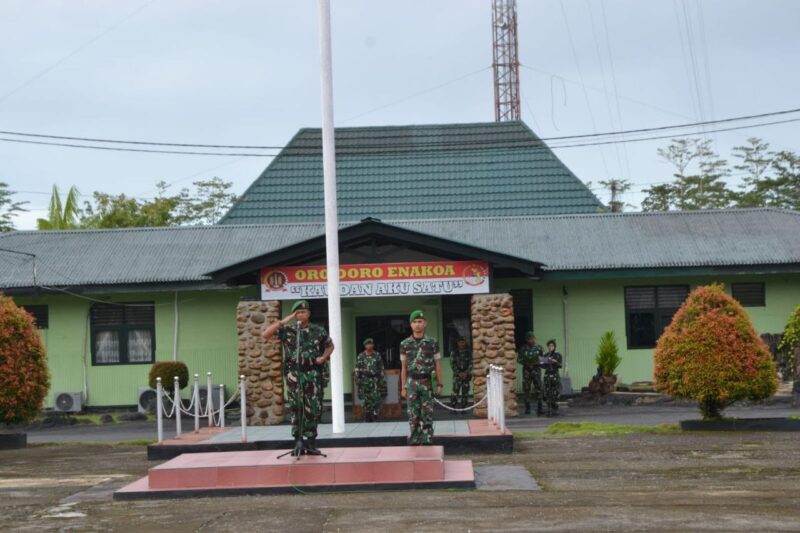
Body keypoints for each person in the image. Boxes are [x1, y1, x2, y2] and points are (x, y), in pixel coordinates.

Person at [261, 300, 333, 456]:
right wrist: (284, 321)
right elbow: (265, 334)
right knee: (296, 407)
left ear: (309, 314)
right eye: (298, 312)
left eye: (303, 312)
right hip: (294, 375)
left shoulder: (318, 330)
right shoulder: (288, 330)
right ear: (294, 315)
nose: (301, 315)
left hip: (312, 374)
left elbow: (330, 346)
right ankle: (298, 442)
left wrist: (323, 357)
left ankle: (311, 442)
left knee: (312, 408)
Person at [400, 309, 443, 445]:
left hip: (427, 382)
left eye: (420, 321)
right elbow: (403, 368)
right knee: (413, 414)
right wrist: (403, 387)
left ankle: (427, 439)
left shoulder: (432, 342)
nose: (417, 324)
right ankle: (414, 439)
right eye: (415, 322)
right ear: (410, 324)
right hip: (412, 382)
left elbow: (437, 364)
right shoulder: (404, 344)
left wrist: (439, 384)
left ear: (425, 323)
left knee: (427, 413)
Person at [355, 337, 386, 422]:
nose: (369, 345)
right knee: (365, 399)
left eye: (371, 344)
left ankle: (375, 415)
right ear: (365, 346)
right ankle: (367, 415)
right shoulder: (361, 356)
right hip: (364, 380)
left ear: (373, 345)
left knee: (376, 398)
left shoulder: (377, 355)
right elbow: (357, 368)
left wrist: (382, 380)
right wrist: (357, 380)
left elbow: (381, 368)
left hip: (374, 380)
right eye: (367, 344)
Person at [517, 331, 544, 415]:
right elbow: (519, 359)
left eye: (532, 338)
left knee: (539, 389)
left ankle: (540, 408)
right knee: (526, 389)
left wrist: (538, 362)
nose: (531, 340)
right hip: (527, 371)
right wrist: (526, 362)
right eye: (529, 339)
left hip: (536, 370)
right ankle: (527, 408)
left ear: (534, 338)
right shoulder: (523, 348)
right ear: (527, 340)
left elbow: (543, 359)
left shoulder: (539, 348)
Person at [449, 336, 472, 411]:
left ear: (465, 343)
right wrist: (458, 373)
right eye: (460, 342)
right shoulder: (454, 352)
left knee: (465, 392)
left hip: (466, 375)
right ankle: (453, 407)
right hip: (457, 376)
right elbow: (452, 364)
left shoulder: (468, 353)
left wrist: (466, 372)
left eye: (463, 342)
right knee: (455, 391)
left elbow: (471, 363)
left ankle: (464, 407)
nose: (462, 344)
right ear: (458, 343)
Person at [542, 339, 563, 417]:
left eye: (552, 345)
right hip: (547, 376)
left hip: (555, 376)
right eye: (549, 346)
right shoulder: (546, 355)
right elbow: (542, 365)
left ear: (555, 346)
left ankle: (555, 408)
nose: (551, 347)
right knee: (547, 393)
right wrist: (546, 361)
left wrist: (555, 362)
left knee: (555, 393)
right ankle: (549, 409)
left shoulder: (558, 355)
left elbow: (560, 365)